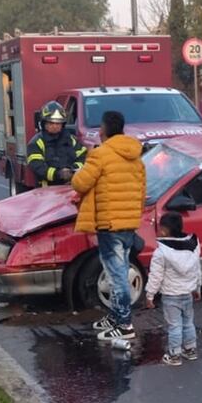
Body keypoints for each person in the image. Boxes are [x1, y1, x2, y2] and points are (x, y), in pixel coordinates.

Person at [71, 110, 146, 341]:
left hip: (109, 222)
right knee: (120, 271)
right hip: (128, 222)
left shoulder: (100, 155)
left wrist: (83, 165)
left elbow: (80, 183)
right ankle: (114, 317)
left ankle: (124, 325)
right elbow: (143, 190)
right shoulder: (135, 156)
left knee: (116, 276)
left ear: (103, 130)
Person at [144, 212, 202, 366]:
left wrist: (150, 295)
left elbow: (155, 276)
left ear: (163, 230)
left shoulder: (161, 252)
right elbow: (197, 269)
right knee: (188, 322)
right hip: (187, 293)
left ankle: (174, 355)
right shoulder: (193, 246)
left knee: (174, 326)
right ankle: (190, 350)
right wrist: (198, 287)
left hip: (171, 296)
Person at [26, 101, 86, 187]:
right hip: (47, 191)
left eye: (58, 123)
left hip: (70, 187)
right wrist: (58, 174)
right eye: (51, 123)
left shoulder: (70, 139)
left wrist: (71, 171)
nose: (55, 126)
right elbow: (38, 167)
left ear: (63, 124)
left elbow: (83, 157)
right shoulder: (36, 142)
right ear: (44, 123)